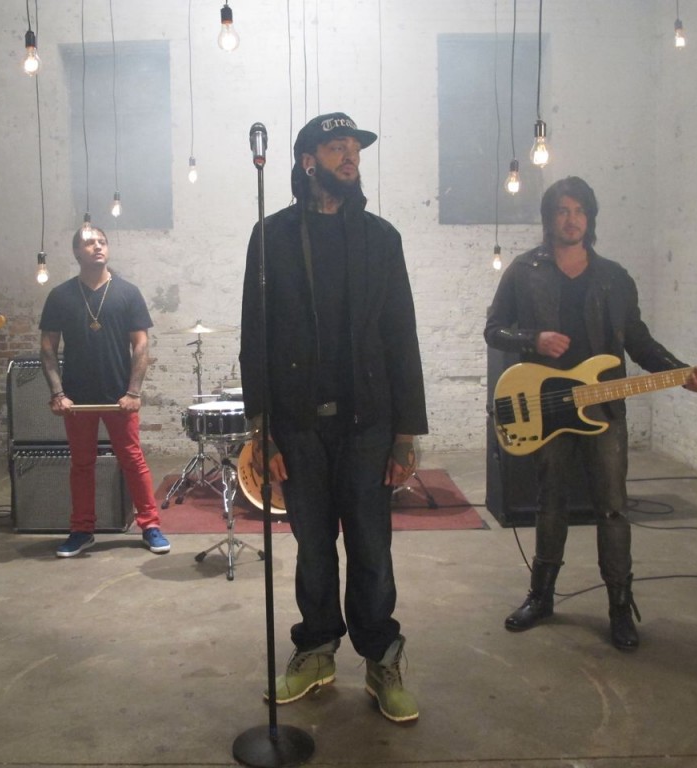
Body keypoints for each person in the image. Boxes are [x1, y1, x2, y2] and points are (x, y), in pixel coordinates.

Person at [239, 113, 428, 723]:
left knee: (372, 547)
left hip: (368, 422)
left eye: (355, 149)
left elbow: (401, 335)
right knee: (314, 548)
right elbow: (254, 336)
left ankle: (381, 660)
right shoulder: (271, 236)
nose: (350, 157)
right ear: (307, 161)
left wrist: (406, 433)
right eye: (337, 148)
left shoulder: (381, 238)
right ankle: (317, 651)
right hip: (298, 424)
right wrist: (261, 428)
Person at [484, 176, 697, 651]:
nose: (571, 220)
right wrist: (533, 339)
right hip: (549, 406)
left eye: (579, 211)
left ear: (590, 218)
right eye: (562, 210)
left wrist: (683, 373)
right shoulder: (524, 270)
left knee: (612, 507)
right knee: (550, 503)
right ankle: (541, 597)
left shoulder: (614, 277)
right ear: (549, 218)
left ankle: (619, 607)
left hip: (604, 405)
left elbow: (640, 341)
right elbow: (493, 329)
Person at [39, 226, 170, 558]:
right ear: (76, 252)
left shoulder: (128, 293)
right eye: (89, 242)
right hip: (76, 399)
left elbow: (141, 345)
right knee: (82, 464)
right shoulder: (60, 296)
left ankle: (150, 526)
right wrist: (58, 393)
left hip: (119, 398)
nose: (97, 246)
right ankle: (82, 530)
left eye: (102, 241)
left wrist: (134, 392)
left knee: (133, 460)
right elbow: (47, 348)